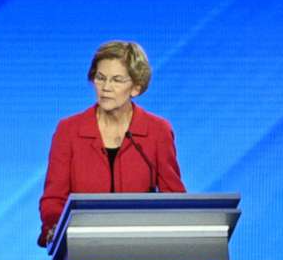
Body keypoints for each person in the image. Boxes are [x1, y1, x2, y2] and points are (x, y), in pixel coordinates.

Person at [37, 39, 186, 243]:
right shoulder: (69, 131)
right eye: (100, 78)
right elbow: (54, 199)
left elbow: (174, 198)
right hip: (82, 252)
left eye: (116, 80)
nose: (106, 87)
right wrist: (57, 228)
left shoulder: (157, 131)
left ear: (136, 88)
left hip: (143, 253)